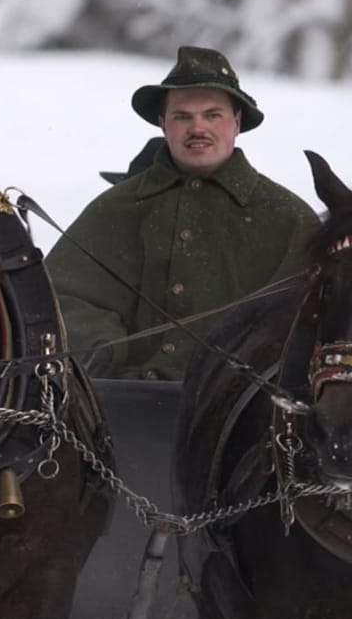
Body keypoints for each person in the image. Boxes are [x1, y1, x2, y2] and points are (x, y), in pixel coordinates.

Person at [48, 47, 315, 382]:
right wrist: (105, 353)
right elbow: (58, 297)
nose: (197, 128)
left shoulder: (289, 219)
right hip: (120, 401)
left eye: (212, 115)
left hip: (242, 407)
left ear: (237, 123)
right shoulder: (114, 209)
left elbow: (315, 318)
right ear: (163, 124)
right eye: (182, 117)